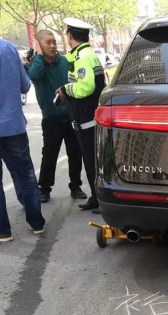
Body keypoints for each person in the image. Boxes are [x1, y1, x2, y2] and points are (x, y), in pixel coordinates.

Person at [25, 29, 87, 203]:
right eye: (47, 43)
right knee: (49, 154)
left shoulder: (65, 62)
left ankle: (76, 186)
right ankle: (44, 188)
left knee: (75, 153)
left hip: (71, 116)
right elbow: (33, 76)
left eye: (54, 42)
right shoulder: (36, 65)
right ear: (39, 45)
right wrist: (39, 56)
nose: (52, 46)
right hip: (51, 119)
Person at [55, 18, 106, 213]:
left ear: (69, 36)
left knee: (92, 161)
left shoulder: (83, 57)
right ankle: (96, 197)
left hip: (87, 119)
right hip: (89, 117)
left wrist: (65, 89)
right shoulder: (86, 54)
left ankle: (99, 199)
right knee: (92, 160)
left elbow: (85, 87)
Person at [0, 39, 45, 243]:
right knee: (26, 175)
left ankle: (3, 231)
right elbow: (25, 86)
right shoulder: (8, 48)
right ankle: (36, 223)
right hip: (14, 126)